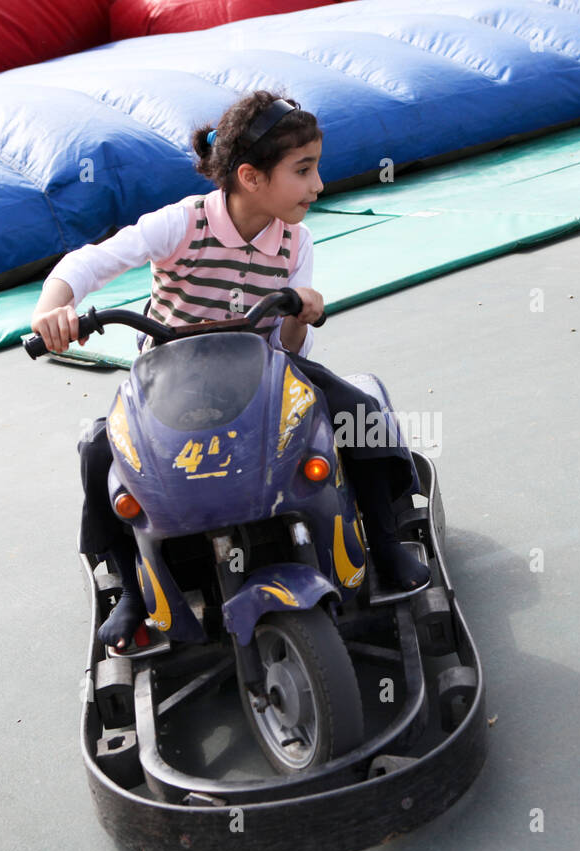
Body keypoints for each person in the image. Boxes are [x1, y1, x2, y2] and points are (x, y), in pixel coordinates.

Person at [30, 90, 430, 649]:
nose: (318, 186)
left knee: (357, 412)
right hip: (171, 381)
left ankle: (385, 539)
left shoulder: (297, 242)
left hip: (264, 371)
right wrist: (54, 309)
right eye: (304, 170)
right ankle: (127, 586)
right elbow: (89, 262)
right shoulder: (182, 223)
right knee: (100, 450)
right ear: (251, 176)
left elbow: (296, 349)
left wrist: (301, 313)